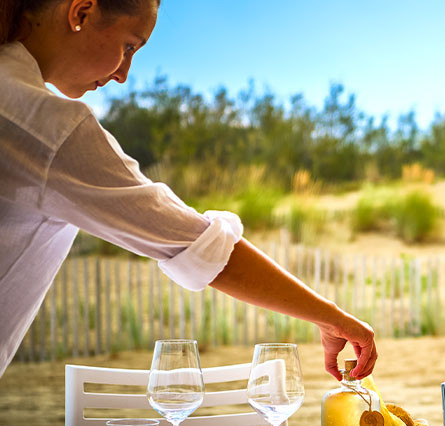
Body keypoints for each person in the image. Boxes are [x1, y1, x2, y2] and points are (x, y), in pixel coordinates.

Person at [0, 0, 377, 380]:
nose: (123, 74)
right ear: (80, 13)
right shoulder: (46, 128)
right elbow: (200, 246)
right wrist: (333, 320)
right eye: (129, 46)